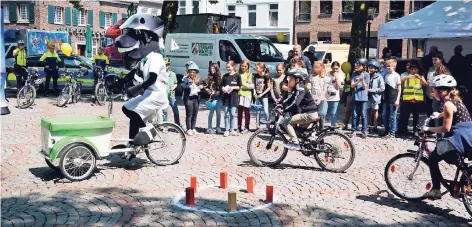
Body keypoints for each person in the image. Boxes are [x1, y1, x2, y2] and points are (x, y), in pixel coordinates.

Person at [111, 13, 169, 160]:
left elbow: (152, 78)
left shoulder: (156, 57)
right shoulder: (145, 58)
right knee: (128, 110)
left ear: (148, 38)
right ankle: (132, 147)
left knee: (134, 112)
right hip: (148, 93)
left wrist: (136, 89)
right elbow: (133, 74)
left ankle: (150, 131)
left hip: (157, 94)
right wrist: (118, 84)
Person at [422, 74, 472, 200]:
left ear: (442, 91)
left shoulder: (447, 104)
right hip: (468, 136)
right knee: (455, 160)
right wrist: (438, 115)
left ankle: (436, 190)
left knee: (433, 158)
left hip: (458, 139)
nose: (432, 92)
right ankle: (465, 177)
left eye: (434, 90)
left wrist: (428, 129)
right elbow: (452, 112)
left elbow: (445, 128)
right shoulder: (456, 101)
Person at [280, 68, 319, 150]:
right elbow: (291, 98)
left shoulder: (300, 88)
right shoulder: (297, 87)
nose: (289, 80)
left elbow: (295, 103)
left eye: (291, 78)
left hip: (309, 114)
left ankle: (295, 143)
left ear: (297, 79)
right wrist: (281, 104)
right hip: (308, 112)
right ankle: (301, 141)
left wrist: (285, 109)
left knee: (286, 122)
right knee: (299, 129)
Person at [398, 63, 427, 136]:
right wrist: (407, 77)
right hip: (407, 99)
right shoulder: (406, 76)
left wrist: (419, 78)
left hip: (417, 100)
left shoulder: (421, 76)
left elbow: (425, 84)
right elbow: (400, 82)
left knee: (416, 117)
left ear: (417, 70)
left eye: (415, 69)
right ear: (410, 70)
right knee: (404, 116)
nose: (414, 71)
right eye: (412, 69)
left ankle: (415, 130)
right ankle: (403, 131)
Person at [350, 58, 370, 138]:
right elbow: (352, 85)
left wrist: (362, 80)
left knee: (363, 114)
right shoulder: (354, 73)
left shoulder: (367, 74)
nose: (356, 66)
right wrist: (358, 81)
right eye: (356, 64)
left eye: (358, 65)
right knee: (354, 114)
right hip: (355, 97)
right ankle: (353, 129)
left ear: (363, 66)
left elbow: (365, 87)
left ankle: (364, 130)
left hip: (363, 98)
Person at [382, 59, 402, 138]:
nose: (388, 67)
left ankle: (392, 132)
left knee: (392, 116)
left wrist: (397, 99)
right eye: (387, 66)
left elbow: (399, 89)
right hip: (386, 97)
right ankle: (386, 130)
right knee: (384, 115)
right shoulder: (386, 76)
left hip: (393, 97)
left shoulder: (396, 75)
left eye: (389, 66)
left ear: (394, 66)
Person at [182, 63, 203, 136]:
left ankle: (193, 128)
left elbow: (202, 86)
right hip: (189, 99)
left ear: (196, 72)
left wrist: (201, 87)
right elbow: (182, 86)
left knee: (195, 114)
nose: (192, 73)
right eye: (190, 71)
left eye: (193, 72)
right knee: (189, 114)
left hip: (196, 99)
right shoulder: (186, 79)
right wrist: (188, 86)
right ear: (188, 72)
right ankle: (189, 129)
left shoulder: (198, 79)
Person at [222, 60, 242, 137]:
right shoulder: (225, 76)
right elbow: (222, 85)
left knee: (232, 114)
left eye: (229, 67)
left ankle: (232, 129)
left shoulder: (237, 76)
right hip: (226, 98)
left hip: (234, 97)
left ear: (233, 67)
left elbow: (240, 86)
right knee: (226, 114)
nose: (228, 69)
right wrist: (223, 88)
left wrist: (233, 87)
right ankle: (226, 130)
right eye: (227, 67)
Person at [321, 61, 342, 127]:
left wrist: (336, 77)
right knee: (323, 113)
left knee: (333, 113)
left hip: (335, 98)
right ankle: (321, 126)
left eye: (336, 68)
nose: (335, 70)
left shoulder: (339, 75)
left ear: (338, 68)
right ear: (331, 68)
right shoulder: (328, 74)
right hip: (326, 97)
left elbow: (338, 86)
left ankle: (333, 125)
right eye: (333, 68)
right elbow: (325, 84)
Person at [306, 61, 326, 129]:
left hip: (321, 99)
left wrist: (320, 99)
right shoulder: (311, 76)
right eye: (314, 68)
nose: (315, 69)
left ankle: (321, 129)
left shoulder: (324, 77)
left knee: (320, 114)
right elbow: (310, 87)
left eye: (317, 68)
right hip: (313, 98)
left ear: (321, 68)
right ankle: (312, 128)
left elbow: (324, 90)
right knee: (313, 114)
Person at [204, 62, 223, 134]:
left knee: (218, 112)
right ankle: (209, 127)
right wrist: (210, 92)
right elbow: (205, 87)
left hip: (219, 97)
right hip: (211, 98)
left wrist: (220, 91)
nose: (212, 69)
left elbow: (222, 86)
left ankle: (218, 127)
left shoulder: (220, 77)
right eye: (211, 68)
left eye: (213, 68)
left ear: (217, 69)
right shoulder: (208, 77)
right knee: (211, 112)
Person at [366, 60, 385, 134]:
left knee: (375, 111)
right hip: (367, 97)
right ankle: (367, 126)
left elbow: (382, 88)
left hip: (375, 97)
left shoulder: (379, 77)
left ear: (376, 69)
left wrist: (373, 90)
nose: (370, 69)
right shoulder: (367, 75)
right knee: (367, 111)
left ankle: (375, 126)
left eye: (372, 68)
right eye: (369, 67)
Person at [162, 57, 181, 126]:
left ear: (169, 65)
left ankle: (177, 124)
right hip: (164, 95)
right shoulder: (161, 74)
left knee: (175, 110)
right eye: (164, 65)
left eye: (167, 65)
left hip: (171, 95)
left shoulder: (172, 74)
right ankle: (165, 125)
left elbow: (176, 83)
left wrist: (173, 88)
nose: (165, 67)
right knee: (164, 111)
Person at [253, 62, 272, 128]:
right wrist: (254, 92)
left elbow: (269, 87)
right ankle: (257, 126)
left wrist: (262, 94)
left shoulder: (266, 76)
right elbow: (254, 85)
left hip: (264, 96)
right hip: (257, 95)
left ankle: (268, 125)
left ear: (261, 69)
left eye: (257, 68)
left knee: (265, 111)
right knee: (257, 111)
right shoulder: (255, 76)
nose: (256, 69)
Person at [237, 59, 253, 133]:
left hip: (247, 94)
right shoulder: (238, 73)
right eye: (242, 66)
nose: (243, 67)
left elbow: (251, 86)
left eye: (245, 66)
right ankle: (239, 126)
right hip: (240, 94)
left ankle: (247, 127)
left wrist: (243, 85)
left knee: (246, 111)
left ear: (248, 67)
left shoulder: (250, 74)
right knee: (239, 111)